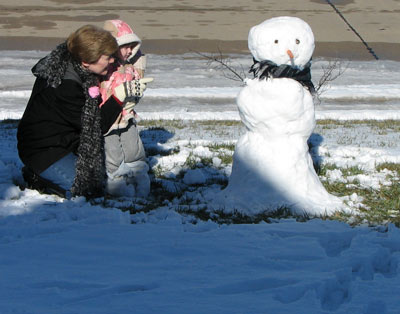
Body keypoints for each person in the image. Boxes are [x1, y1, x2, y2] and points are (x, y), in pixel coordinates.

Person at [17, 24, 151, 198]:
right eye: (108, 57)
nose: (112, 61)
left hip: (67, 139)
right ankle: (36, 176)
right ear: (87, 61)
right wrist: (118, 97)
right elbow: (97, 125)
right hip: (44, 150)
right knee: (86, 190)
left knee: (103, 175)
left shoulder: (76, 64)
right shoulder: (65, 86)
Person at [100, 19, 153, 198]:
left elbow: (137, 84)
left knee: (134, 150)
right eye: (125, 46)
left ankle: (139, 180)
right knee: (112, 154)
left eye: (132, 46)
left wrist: (140, 69)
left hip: (127, 116)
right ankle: (117, 186)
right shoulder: (102, 67)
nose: (129, 50)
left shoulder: (130, 67)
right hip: (108, 121)